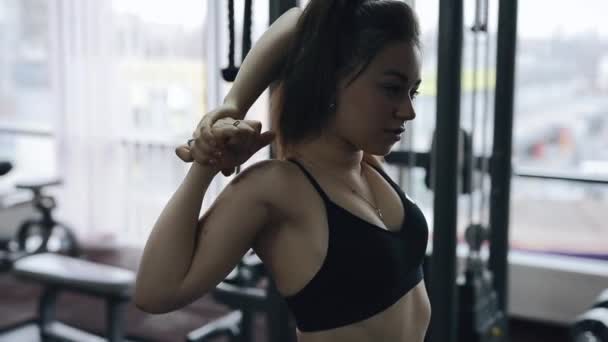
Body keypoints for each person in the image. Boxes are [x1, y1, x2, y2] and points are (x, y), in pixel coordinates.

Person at [135, 1, 430, 341]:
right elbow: (154, 292)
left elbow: (306, 22)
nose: (408, 111)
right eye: (392, 89)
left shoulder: (365, 164)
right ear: (331, 80)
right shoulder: (278, 187)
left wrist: (234, 103)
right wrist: (210, 158)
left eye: (413, 91)